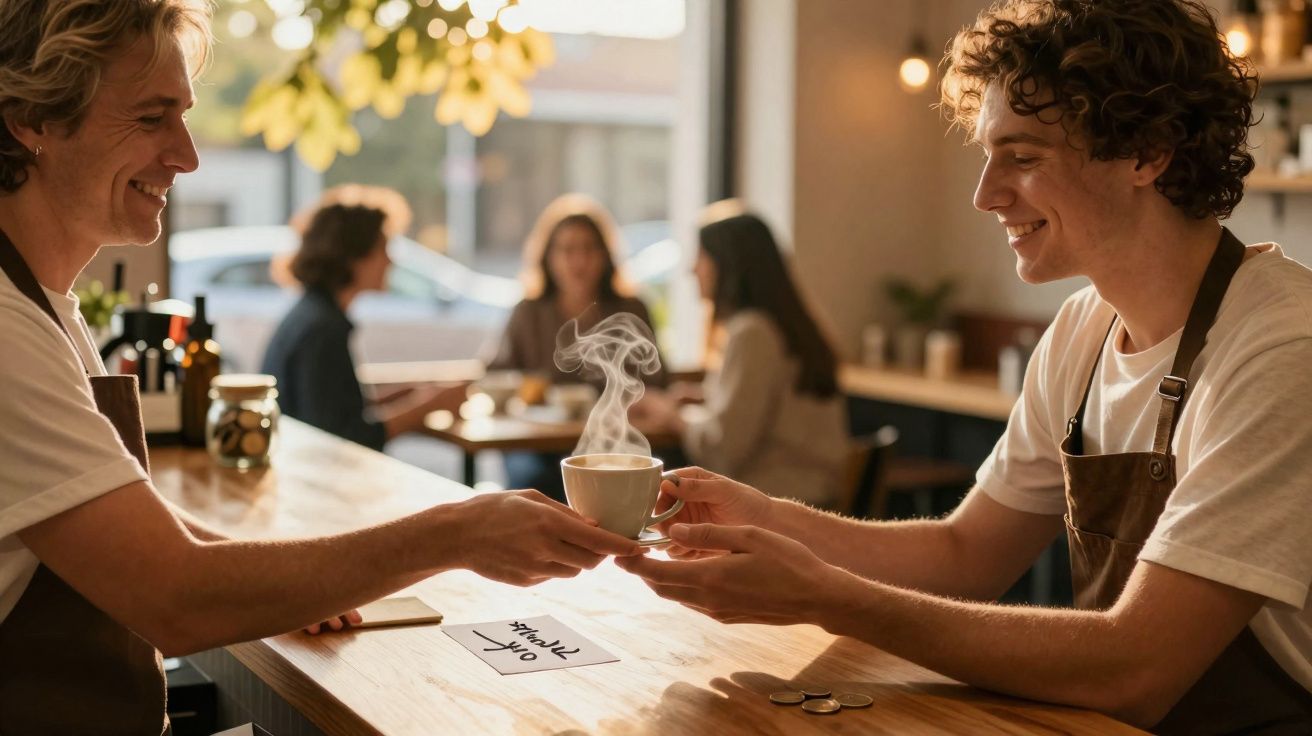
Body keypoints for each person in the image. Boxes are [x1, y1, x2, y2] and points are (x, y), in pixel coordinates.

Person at [618, 0, 1312, 731]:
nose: (985, 194)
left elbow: (1135, 665)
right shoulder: (1083, 331)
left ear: (1147, 152)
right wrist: (771, 521)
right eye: (988, 155)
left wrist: (825, 596)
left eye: (1024, 157)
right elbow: (966, 551)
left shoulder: (1281, 347)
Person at [0, 3, 638, 732]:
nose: (187, 154)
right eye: (152, 117)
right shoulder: (6, 328)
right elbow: (174, 594)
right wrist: (458, 534)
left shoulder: (48, 307)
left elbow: (135, 526)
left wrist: (299, 583)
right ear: (34, 118)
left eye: (183, 116)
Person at [631, 203, 848, 507]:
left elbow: (724, 448)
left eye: (701, 257)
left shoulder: (752, 333)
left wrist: (670, 416)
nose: (692, 269)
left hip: (779, 502)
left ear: (727, 264)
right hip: (813, 495)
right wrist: (706, 399)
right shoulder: (784, 325)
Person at [489, 193, 667, 496]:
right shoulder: (529, 312)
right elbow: (497, 374)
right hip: (537, 442)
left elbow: (658, 380)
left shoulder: (631, 309)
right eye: (567, 250)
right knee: (534, 483)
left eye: (589, 249)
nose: (579, 261)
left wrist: (637, 401)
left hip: (615, 440)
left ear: (605, 255)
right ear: (548, 256)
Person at [261, 187, 462, 451]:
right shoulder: (322, 329)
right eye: (382, 248)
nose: (390, 260)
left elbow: (333, 411)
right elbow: (342, 440)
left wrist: (406, 395)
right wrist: (428, 406)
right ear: (354, 255)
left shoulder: (313, 314)